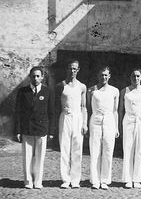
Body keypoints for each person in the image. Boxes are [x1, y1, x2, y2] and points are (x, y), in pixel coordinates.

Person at [15, 66, 55, 189]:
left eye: (38, 76)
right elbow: (18, 112)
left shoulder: (47, 91)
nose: (35, 78)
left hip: (41, 128)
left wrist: (51, 131)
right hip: (27, 129)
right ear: (29, 77)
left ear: (42, 77)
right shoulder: (23, 92)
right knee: (27, 157)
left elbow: (51, 112)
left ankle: (38, 181)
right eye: (33, 76)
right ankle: (28, 181)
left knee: (40, 157)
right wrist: (18, 130)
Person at [56, 60, 87, 189]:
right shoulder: (60, 85)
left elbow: (84, 106)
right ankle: (65, 179)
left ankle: (75, 179)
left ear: (78, 70)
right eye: (70, 68)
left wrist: (84, 124)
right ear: (67, 69)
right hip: (65, 117)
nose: (72, 71)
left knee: (77, 149)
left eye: (75, 69)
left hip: (78, 118)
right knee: (64, 149)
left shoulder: (82, 87)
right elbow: (56, 105)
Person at [87, 66, 119, 190]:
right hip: (95, 120)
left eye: (106, 75)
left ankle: (105, 180)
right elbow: (89, 109)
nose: (103, 77)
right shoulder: (92, 90)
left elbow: (115, 110)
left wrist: (116, 127)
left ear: (109, 76)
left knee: (108, 150)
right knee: (95, 150)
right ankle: (95, 180)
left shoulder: (114, 91)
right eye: (101, 75)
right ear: (98, 76)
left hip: (109, 120)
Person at [119, 69, 141, 189]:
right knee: (128, 149)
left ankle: (137, 179)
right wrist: (119, 127)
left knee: (139, 150)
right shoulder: (125, 91)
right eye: (133, 76)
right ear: (130, 77)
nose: (135, 78)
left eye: (138, 76)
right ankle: (127, 178)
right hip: (128, 121)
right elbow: (120, 110)